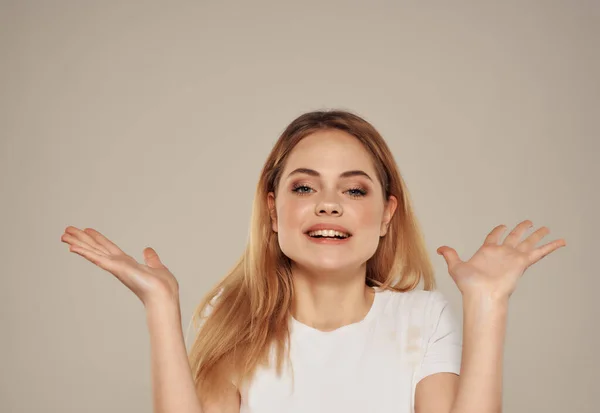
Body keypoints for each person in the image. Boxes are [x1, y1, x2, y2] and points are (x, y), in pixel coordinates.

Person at [61, 109, 566, 413]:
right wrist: (160, 306)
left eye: (354, 188)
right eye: (304, 186)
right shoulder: (235, 315)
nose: (329, 203)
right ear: (273, 210)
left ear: (387, 214)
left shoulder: (423, 317)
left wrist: (487, 302)